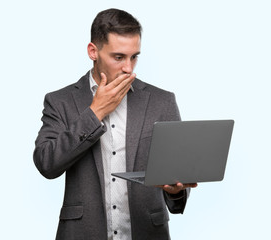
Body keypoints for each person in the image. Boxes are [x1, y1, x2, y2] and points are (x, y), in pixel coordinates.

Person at [33, 8, 197, 240]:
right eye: (118, 57)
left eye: (134, 56)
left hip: (148, 232)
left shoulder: (162, 101)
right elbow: (46, 163)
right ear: (93, 51)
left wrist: (177, 190)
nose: (128, 68)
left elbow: (177, 179)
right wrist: (96, 111)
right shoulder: (60, 101)